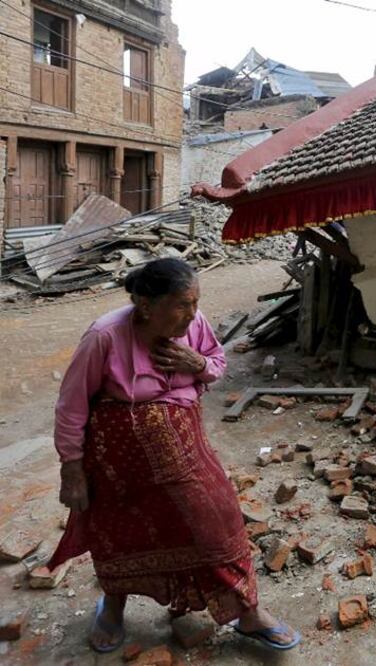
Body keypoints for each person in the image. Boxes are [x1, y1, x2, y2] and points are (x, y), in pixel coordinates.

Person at [48, 258, 300, 653]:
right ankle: (112, 609)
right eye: (183, 304)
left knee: (217, 517)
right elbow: (71, 406)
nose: (193, 314)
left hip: (184, 446)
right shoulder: (104, 336)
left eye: (196, 302)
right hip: (119, 463)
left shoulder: (193, 326)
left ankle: (247, 612)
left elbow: (216, 364)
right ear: (147, 306)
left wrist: (196, 363)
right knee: (119, 533)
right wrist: (73, 470)